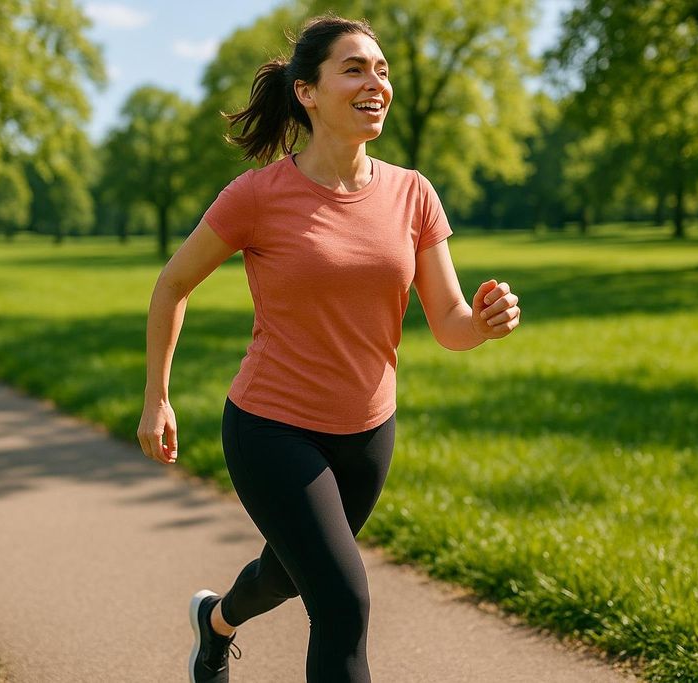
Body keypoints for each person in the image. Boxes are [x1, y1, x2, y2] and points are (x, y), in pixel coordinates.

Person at [136, 14, 520, 683]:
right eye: (354, 68)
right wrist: (157, 398)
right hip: (270, 429)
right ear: (307, 92)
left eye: (382, 69)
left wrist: (483, 322)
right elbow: (173, 284)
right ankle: (221, 623)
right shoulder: (258, 195)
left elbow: (451, 322)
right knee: (342, 603)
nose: (376, 81)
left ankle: (215, 621)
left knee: (284, 573)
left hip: (367, 434)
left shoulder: (413, 193)